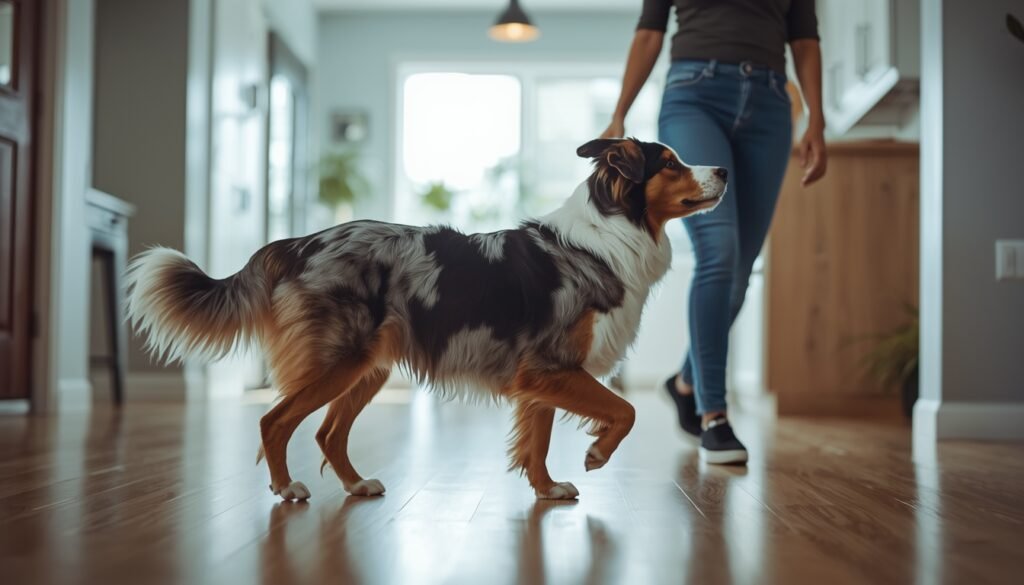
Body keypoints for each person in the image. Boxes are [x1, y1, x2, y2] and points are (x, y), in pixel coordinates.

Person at [601, 0, 827, 464]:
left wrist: (817, 119)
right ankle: (714, 416)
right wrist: (619, 113)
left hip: (770, 104)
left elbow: (804, 38)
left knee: (740, 273)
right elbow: (649, 32)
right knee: (719, 253)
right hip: (694, 95)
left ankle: (685, 381)